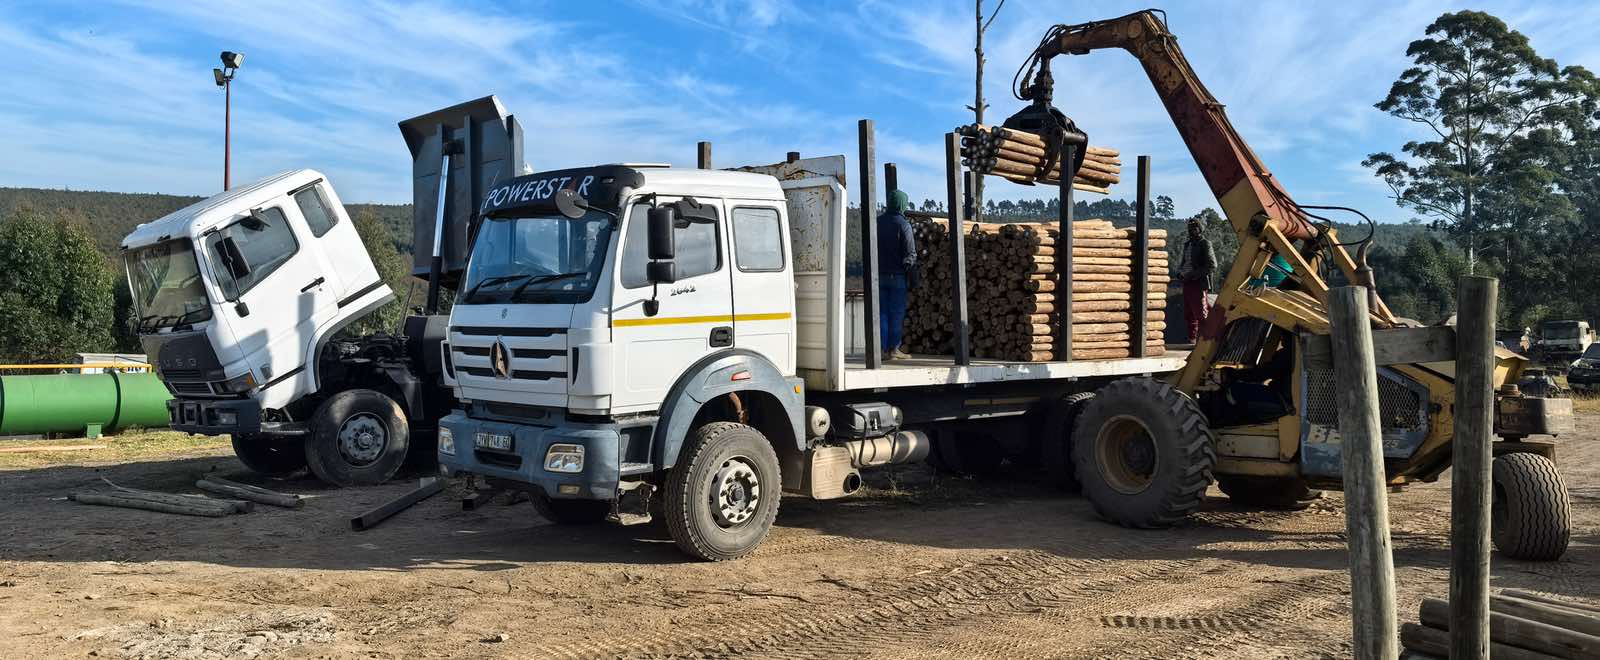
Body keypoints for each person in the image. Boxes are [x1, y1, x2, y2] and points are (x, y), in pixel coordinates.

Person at [877, 190, 917, 360]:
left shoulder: (876, 222)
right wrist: (913, 277)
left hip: (878, 276)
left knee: (882, 314)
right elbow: (910, 254)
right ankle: (893, 349)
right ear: (902, 204)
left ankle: (882, 349)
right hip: (897, 276)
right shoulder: (904, 224)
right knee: (896, 314)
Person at [1178, 217, 1216, 343]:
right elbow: (1184, 262)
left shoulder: (1205, 243)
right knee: (1189, 314)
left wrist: (1193, 274)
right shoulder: (1187, 245)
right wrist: (1180, 272)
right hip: (1186, 282)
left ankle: (1204, 340)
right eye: (1190, 227)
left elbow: (1212, 265)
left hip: (1198, 283)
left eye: (1194, 227)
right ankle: (1192, 339)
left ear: (1200, 229)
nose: (1191, 230)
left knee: (1201, 313)